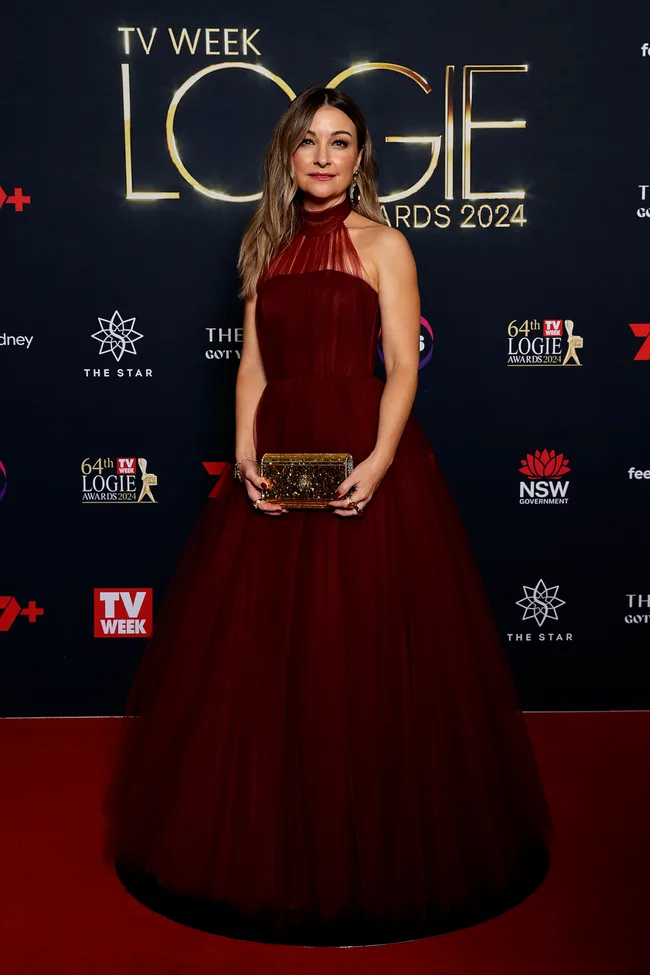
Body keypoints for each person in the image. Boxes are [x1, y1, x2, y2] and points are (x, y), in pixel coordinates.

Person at [102, 85, 554, 947]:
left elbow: (403, 369)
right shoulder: (264, 243)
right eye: (307, 140)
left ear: (360, 159)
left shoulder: (386, 244)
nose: (321, 155)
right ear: (287, 153)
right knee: (271, 655)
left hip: (361, 455)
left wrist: (380, 462)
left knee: (362, 648)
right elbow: (251, 366)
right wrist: (242, 452)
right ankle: (273, 839)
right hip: (281, 458)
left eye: (339, 142)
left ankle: (364, 846)